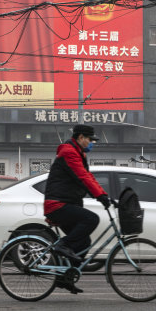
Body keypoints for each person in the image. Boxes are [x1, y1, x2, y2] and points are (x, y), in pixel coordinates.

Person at [43, 124, 110, 294]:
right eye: (90, 139)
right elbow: (82, 177)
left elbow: (88, 177)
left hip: (66, 203)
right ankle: (63, 245)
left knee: (84, 242)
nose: (92, 143)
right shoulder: (69, 153)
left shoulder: (78, 153)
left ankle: (65, 278)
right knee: (91, 219)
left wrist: (104, 195)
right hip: (57, 205)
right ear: (80, 138)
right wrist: (100, 196)